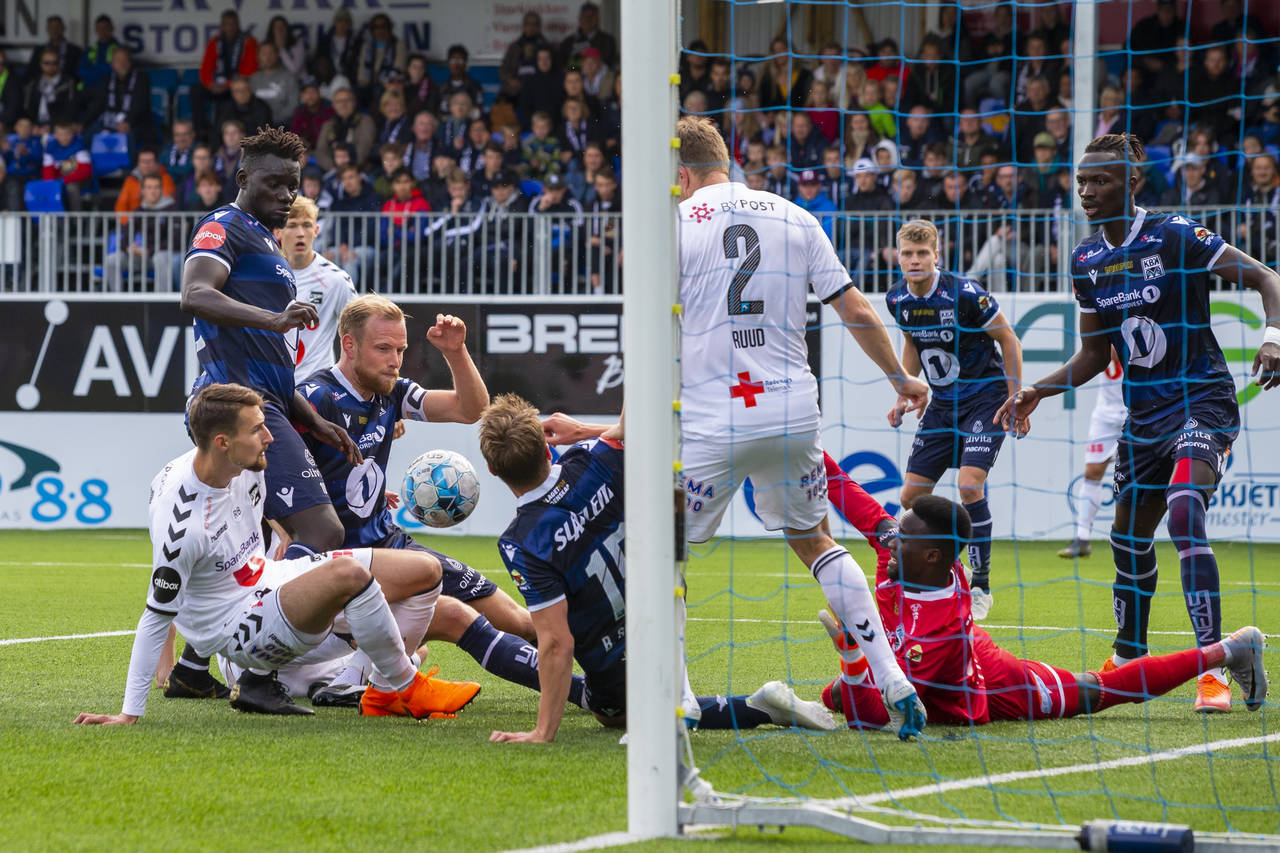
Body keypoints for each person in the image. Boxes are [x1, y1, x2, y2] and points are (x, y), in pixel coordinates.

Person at [996, 133, 1280, 713]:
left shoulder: (1177, 235)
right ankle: (1129, 658)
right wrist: (1037, 391)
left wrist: (1274, 336)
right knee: (1126, 538)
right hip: (1143, 414)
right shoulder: (1086, 259)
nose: (1085, 192)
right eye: (1080, 181)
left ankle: (1214, 668)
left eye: (1098, 181)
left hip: (1201, 399)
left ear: (1131, 181)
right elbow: (1094, 356)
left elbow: (1267, 279)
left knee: (1184, 510)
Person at [669, 116, 929, 739]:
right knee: (815, 541)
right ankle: (894, 680)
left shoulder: (674, 225)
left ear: (681, 175)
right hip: (791, 411)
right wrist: (901, 378)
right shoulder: (795, 214)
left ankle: (674, 702)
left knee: (662, 558)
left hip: (711, 418)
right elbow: (855, 308)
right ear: (725, 162)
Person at [75, 383, 482, 723]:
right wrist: (129, 713)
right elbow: (156, 615)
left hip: (273, 582)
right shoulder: (183, 524)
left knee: (426, 571)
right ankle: (405, 685)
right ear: (222, 441)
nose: (270, 436)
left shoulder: (244, 462)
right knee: (350, 578)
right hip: (240, 631)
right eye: (258, 429)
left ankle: (380, 693)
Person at [481, 397, 835, 742]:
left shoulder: (521, 540)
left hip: (614, 660)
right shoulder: (593, 457)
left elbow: (558, 643)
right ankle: (713, 699)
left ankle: (758, 708)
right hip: (664, 613)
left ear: (493, 470)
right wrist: (593, 430)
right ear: (546, 449)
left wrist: (543, 732)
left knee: (608, 713)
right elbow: (640, 426)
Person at [295, 297, 576, 709]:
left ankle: (601, 678)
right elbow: (277, 479)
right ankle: (362, 679)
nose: (395, 361)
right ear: (349, 345)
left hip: (388, 541)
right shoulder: (315, 398)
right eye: (383, 349)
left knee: (518, 621)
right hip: (340, 561)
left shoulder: (390, 394)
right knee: (446, 616)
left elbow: (472, 409)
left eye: (402, 350)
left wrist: (455, 352)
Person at [820, 496, 1268, 729]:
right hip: (951, 663)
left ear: (934, 557)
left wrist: (854, 659)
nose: (891, 541)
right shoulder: (902, 558)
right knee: (832, 696)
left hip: (999, 689)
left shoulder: (942, 630)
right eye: (894, 535)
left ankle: (1230, 649)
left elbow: (881, 718)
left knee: (1099, 690)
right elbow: (850, 495)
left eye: (904, 538)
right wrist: (799, 445)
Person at [180, 126, 358, 567]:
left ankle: (222, 636)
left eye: (292, 187)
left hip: (262, 402)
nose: (285, 195)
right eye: (274, 184)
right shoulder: (223, 225)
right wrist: (274, 319)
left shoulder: (267, 243)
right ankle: (278, 625)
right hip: (237, 405)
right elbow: (195, 293)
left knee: (247, 549)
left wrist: (314, 420)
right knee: (322, 529)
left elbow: (270, 364)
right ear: (243, 180)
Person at [885, 219, 1022, 620]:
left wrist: (1015, 397)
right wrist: (905, 389)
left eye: (922, 253)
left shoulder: (964, 294)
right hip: (943, 404)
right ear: (898, 256)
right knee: (909, 498)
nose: (914, 260)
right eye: (907, 253)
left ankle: (981, 584)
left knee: (968, 485)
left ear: (936, 256)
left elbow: (1008, 339)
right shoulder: (898, 300)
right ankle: (939, 569)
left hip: (985, 398)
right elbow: (911, 342)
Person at [277, 196, 356, 382]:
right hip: (273, 388)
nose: (300, 233)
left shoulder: (336, 280)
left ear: (316, 230)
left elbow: (359, 335)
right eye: (292, 225)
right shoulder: (265, 276)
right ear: (278, 232)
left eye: (306, 225)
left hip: (317, 389)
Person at [1060, 352, 1126, 559]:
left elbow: (1118, 352)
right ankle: (1082, 538)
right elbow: (1102, 353)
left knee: (1137, 474)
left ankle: (1131, 535)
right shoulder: (1105, 322)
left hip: (1137, 410)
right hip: (1106, 414)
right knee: (1092, 472)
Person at [194, 11, 258, 138]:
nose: (229, 27)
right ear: (221, 26)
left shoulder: (249, 42)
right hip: (216, 85)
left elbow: (249, 71)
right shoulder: (215, 42)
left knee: (231, 98)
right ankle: (200, 130)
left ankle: (222, 134)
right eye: (226, 24)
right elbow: (205, 68)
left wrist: (228, 85)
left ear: (238, 24)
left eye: (233, 24)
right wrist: (210, 84)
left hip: (236, 87)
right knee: (196, 90)